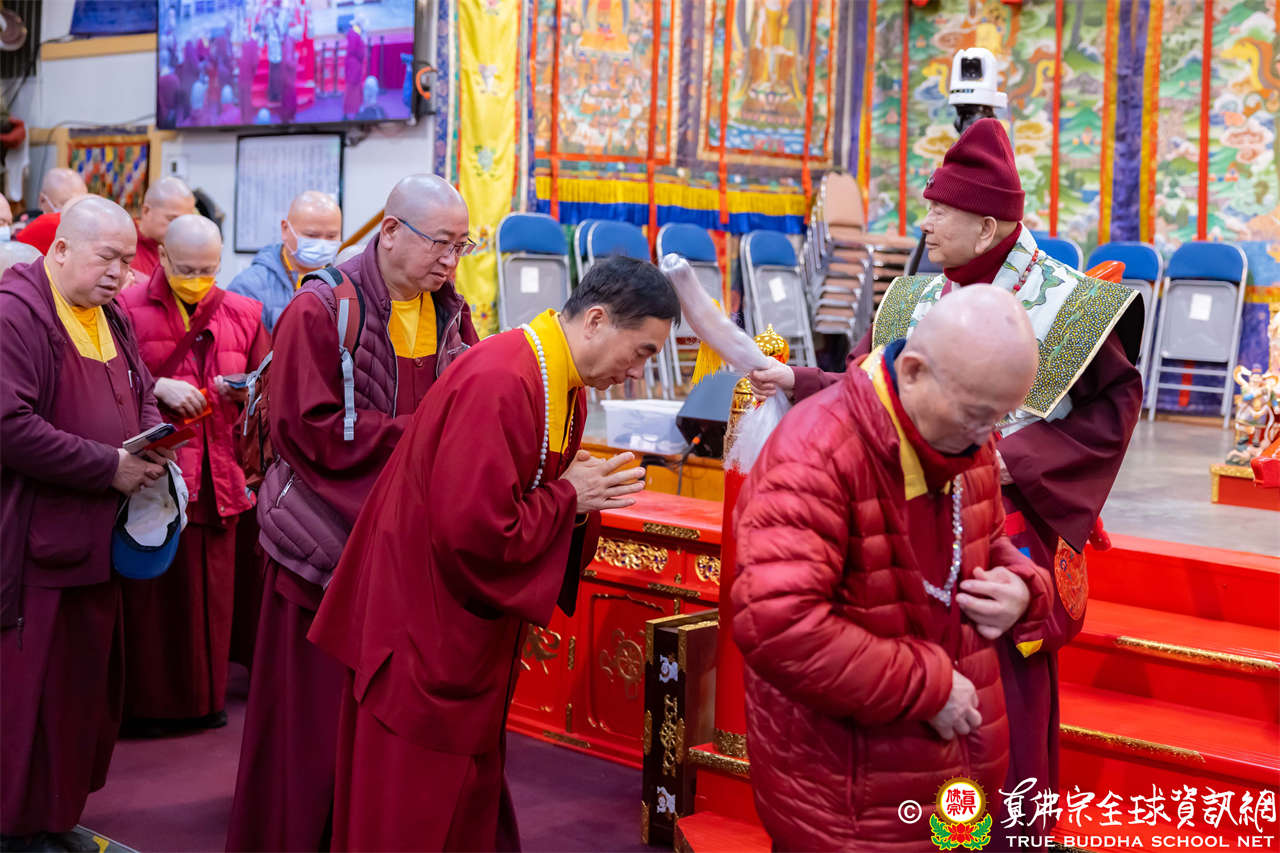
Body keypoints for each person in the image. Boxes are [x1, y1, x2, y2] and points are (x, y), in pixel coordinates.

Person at [749, 118, 1144, 847]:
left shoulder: (1072, 303)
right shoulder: (912, 299)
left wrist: (1009, 457)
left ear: (987, 224)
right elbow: (869, 389)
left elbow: (1111, 411)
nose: (924, 223)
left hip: (1011, 525)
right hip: (904, 525)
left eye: (939, 209)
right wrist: (799, 379)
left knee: (1003, 715)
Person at [308, 255, 679, 850]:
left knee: (463, 808)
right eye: (641, 352)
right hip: (421, 631)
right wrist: (570, 497)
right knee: (408, 815)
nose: (637, 372)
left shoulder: (561, 384)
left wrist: (573, 497)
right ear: (597, 321)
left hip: (464, 638)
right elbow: (472, 533)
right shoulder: (502, 378)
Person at [733, 286, 1054, 851]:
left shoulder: (965, 439)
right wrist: (928, 686)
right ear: (913, 371)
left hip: (957, 776)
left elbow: (986, 541)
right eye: (976, 415)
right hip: (852, 793)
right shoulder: (816, 451)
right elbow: (777, 624)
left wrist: (1023, 590)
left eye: (999, 418)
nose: (986, 438)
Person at [225, 174, 480, 853]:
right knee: (310, 724)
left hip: (406, 549)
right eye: (440, 243)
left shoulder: (451, 312)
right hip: (324, 542)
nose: (449, 261)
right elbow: (305, 429)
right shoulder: (321, 309)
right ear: (389, 231)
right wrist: (424, 439)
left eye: (461, 246)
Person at [1, 197, 166, 852]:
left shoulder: (110, 312)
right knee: (29, 696)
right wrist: (108, 467)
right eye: (107, 258)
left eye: (127, 261)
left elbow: (142, 386)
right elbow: (8, 426)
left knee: (79, 695)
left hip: (98, 539)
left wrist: (152, 438)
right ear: (62, 249)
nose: (120, 274)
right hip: (35, 543)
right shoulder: (17, 311)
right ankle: (15, 829)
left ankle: (53, 815)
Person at [116, 215, 270, 734]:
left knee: (214, 596)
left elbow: (268, 386)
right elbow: (112, 380)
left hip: (220, 470)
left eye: (209, 270)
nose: (198, 280)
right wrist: (156, 386)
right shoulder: (126, 308)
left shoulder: (244, 312)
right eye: (186, 269)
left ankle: (206, 700)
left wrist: (245, 389)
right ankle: (148, 708)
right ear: (161, 257)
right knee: (153, 596)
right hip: (160, 474)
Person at [227, 189, 342, 332]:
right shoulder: (249, 286)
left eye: (331, 236)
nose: (322, 244)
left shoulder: (343, 283)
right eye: (311, 235)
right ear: (285, 229)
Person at [132, 177, 198, 280]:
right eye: (172, 219)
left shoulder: (185, 249)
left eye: (185, 221)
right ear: (146, 211)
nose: (180, 228)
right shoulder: (123, 243)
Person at [15, 168, 88, 254]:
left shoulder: (44, 225)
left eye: (81, 202)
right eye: (66, 203)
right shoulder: (95, 226)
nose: (75, 209)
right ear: (42, 200)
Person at [342, 19, 367, 120]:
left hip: (355, 65)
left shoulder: (354, 34)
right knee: (352, 88)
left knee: (355, 88)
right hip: (354, 66)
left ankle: (356, 109)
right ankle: (349, 111)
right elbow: (355, 50)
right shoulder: (354, 35)